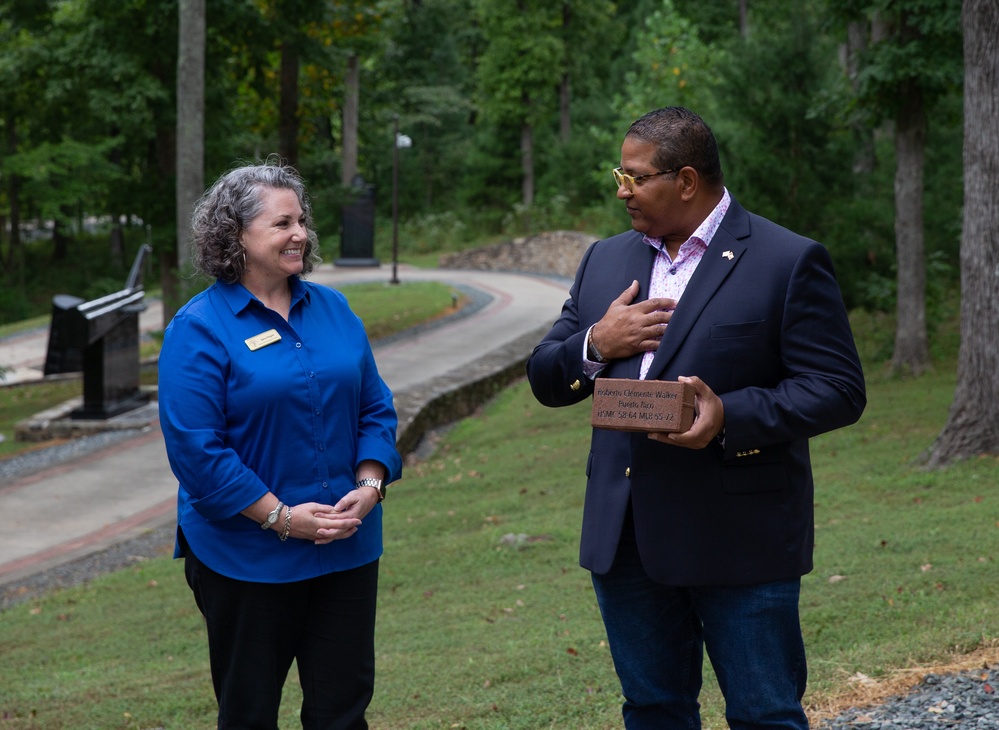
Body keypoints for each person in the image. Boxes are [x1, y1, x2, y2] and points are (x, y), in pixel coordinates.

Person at [526, 107, 866, 729]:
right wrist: (596, 344)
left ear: (686, 180)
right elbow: (547, 377)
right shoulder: (604, 259)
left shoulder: (786, 259)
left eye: (635, 178)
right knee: (653, 712)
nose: (622, 191)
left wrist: (728, 416)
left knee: (766, 714)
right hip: (626, 540)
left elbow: (838, 388)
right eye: (618, 177)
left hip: (740, 537)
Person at [158, 159, 402, 730]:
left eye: (302, 221)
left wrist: (369, 486)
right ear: (235, 236)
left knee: (341, 713)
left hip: (346, 545)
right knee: (249, 715)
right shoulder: (198, 328)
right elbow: (198, 452)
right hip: (246, 557)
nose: (301, 234)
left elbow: (375, 407)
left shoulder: (334, 310)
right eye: (282, 223)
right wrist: (283, 518)